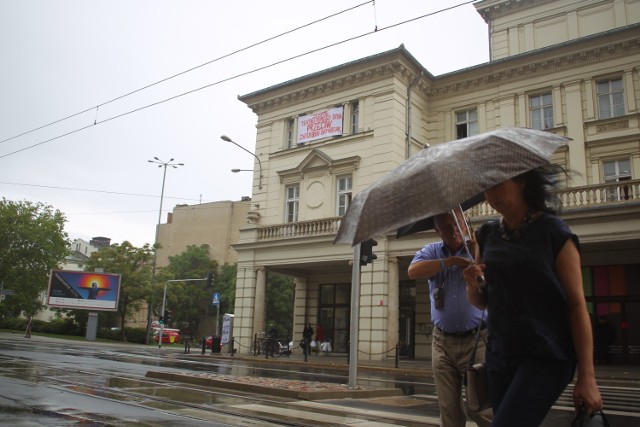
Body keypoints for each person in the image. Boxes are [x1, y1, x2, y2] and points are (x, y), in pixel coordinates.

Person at [462, 165, 603, 426]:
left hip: (546, 354)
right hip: (500, 356)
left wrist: (588, 376)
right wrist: (472, 284)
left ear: (521, 181)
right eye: (486, 188)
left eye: (498, 185)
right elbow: (482, 302)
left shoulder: (554, 231)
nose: (491, 196)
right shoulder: (487, 234)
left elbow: (576, 306)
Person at [408, 208, 492, 427]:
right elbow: (413, 271)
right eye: (446, 226)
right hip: (443, 342)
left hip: (477, 340)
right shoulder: (433, 251)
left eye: (457, 223)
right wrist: (452, 261)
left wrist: (479, 252)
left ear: (465, 223)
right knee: (449, 409)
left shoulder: (477, 249)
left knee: (483, 409)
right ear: (438, 231)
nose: (453, 230)